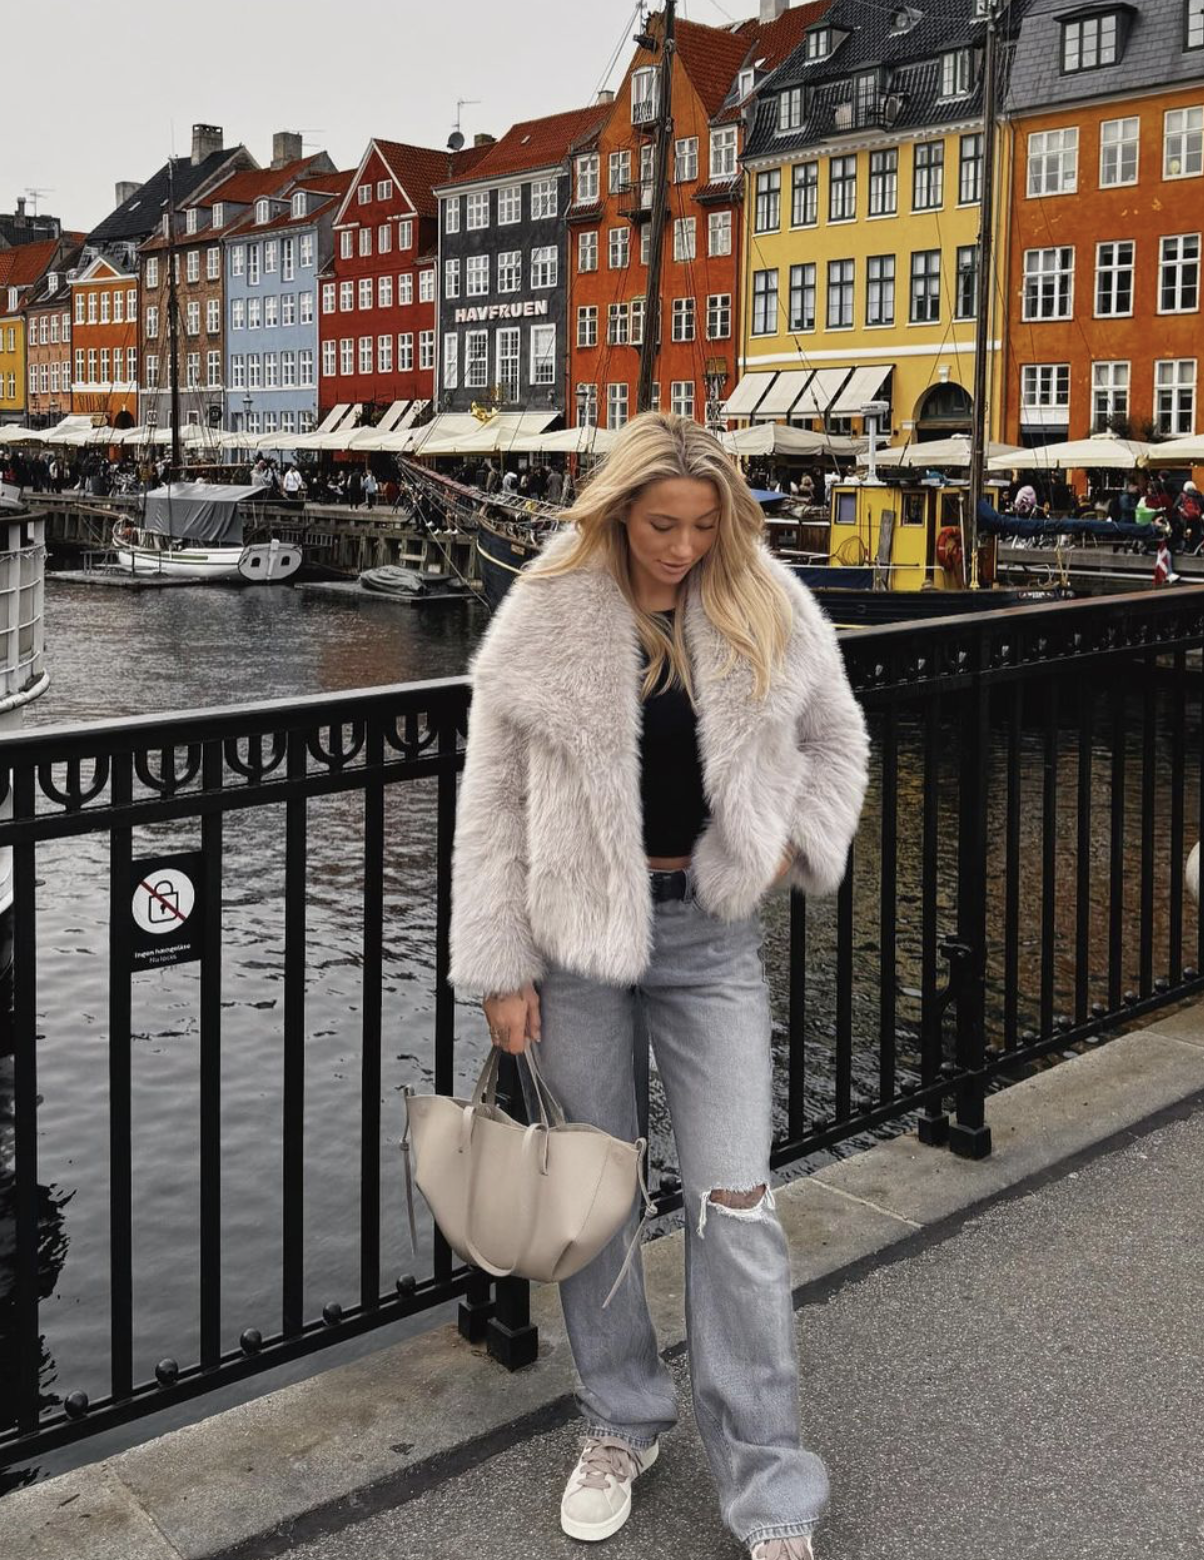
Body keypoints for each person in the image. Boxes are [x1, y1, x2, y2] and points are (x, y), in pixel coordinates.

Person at [448, 413, 869, 1560]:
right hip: (573, 943)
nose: (682, 547)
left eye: (702, 526)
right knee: (594, 1206)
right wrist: (499, 967)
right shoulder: (547, 606)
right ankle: (619, 1422)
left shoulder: (764, 599)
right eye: (661, 525)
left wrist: (790, 846)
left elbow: (835, 740)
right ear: (618, 513)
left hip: (708, 940)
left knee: (737, 1206)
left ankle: (772, 1486)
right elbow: (492, 802)